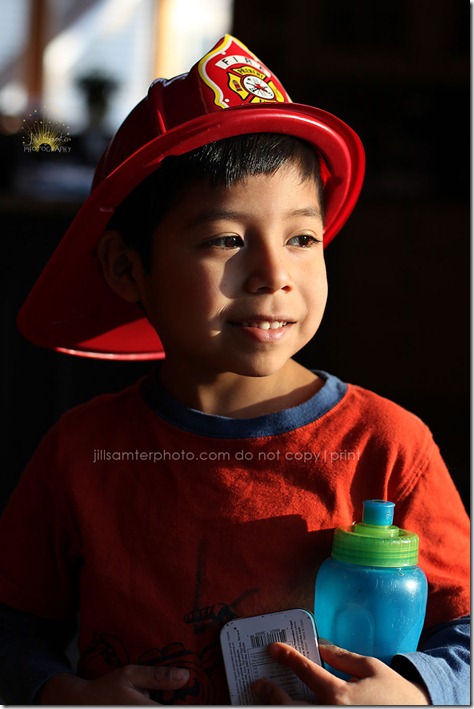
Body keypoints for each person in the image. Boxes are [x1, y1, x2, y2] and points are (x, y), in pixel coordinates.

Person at [0, 35, 469, 706]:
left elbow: (463, 632)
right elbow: (13, 625)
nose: (274, 274)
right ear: (126, 268)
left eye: (302, 237)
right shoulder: (81, 452)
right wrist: (61, 692)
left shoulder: (388, 447)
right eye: (226, 239)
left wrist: (419, 693)